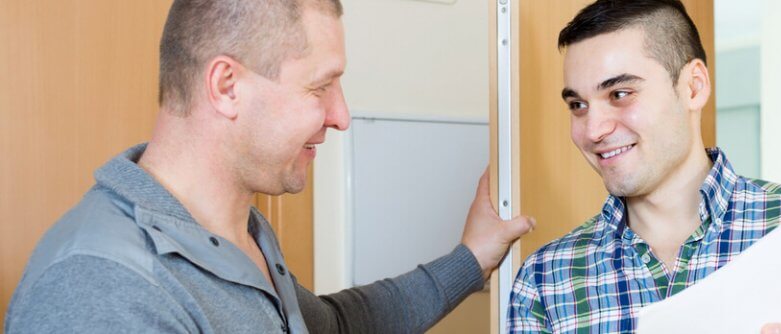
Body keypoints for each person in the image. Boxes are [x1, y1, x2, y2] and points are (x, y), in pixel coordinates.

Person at [4, 0, 534, 333]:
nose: (342, 116)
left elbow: (339, 325)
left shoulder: (238, 235)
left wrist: (473, 258)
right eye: (320, 86)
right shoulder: (104, 290)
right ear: (227, 87)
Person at [507, 0, 781, 333]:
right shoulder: (544, 281)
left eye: (620, 93)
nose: (593, 129)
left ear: (693, 86)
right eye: (577, 105)